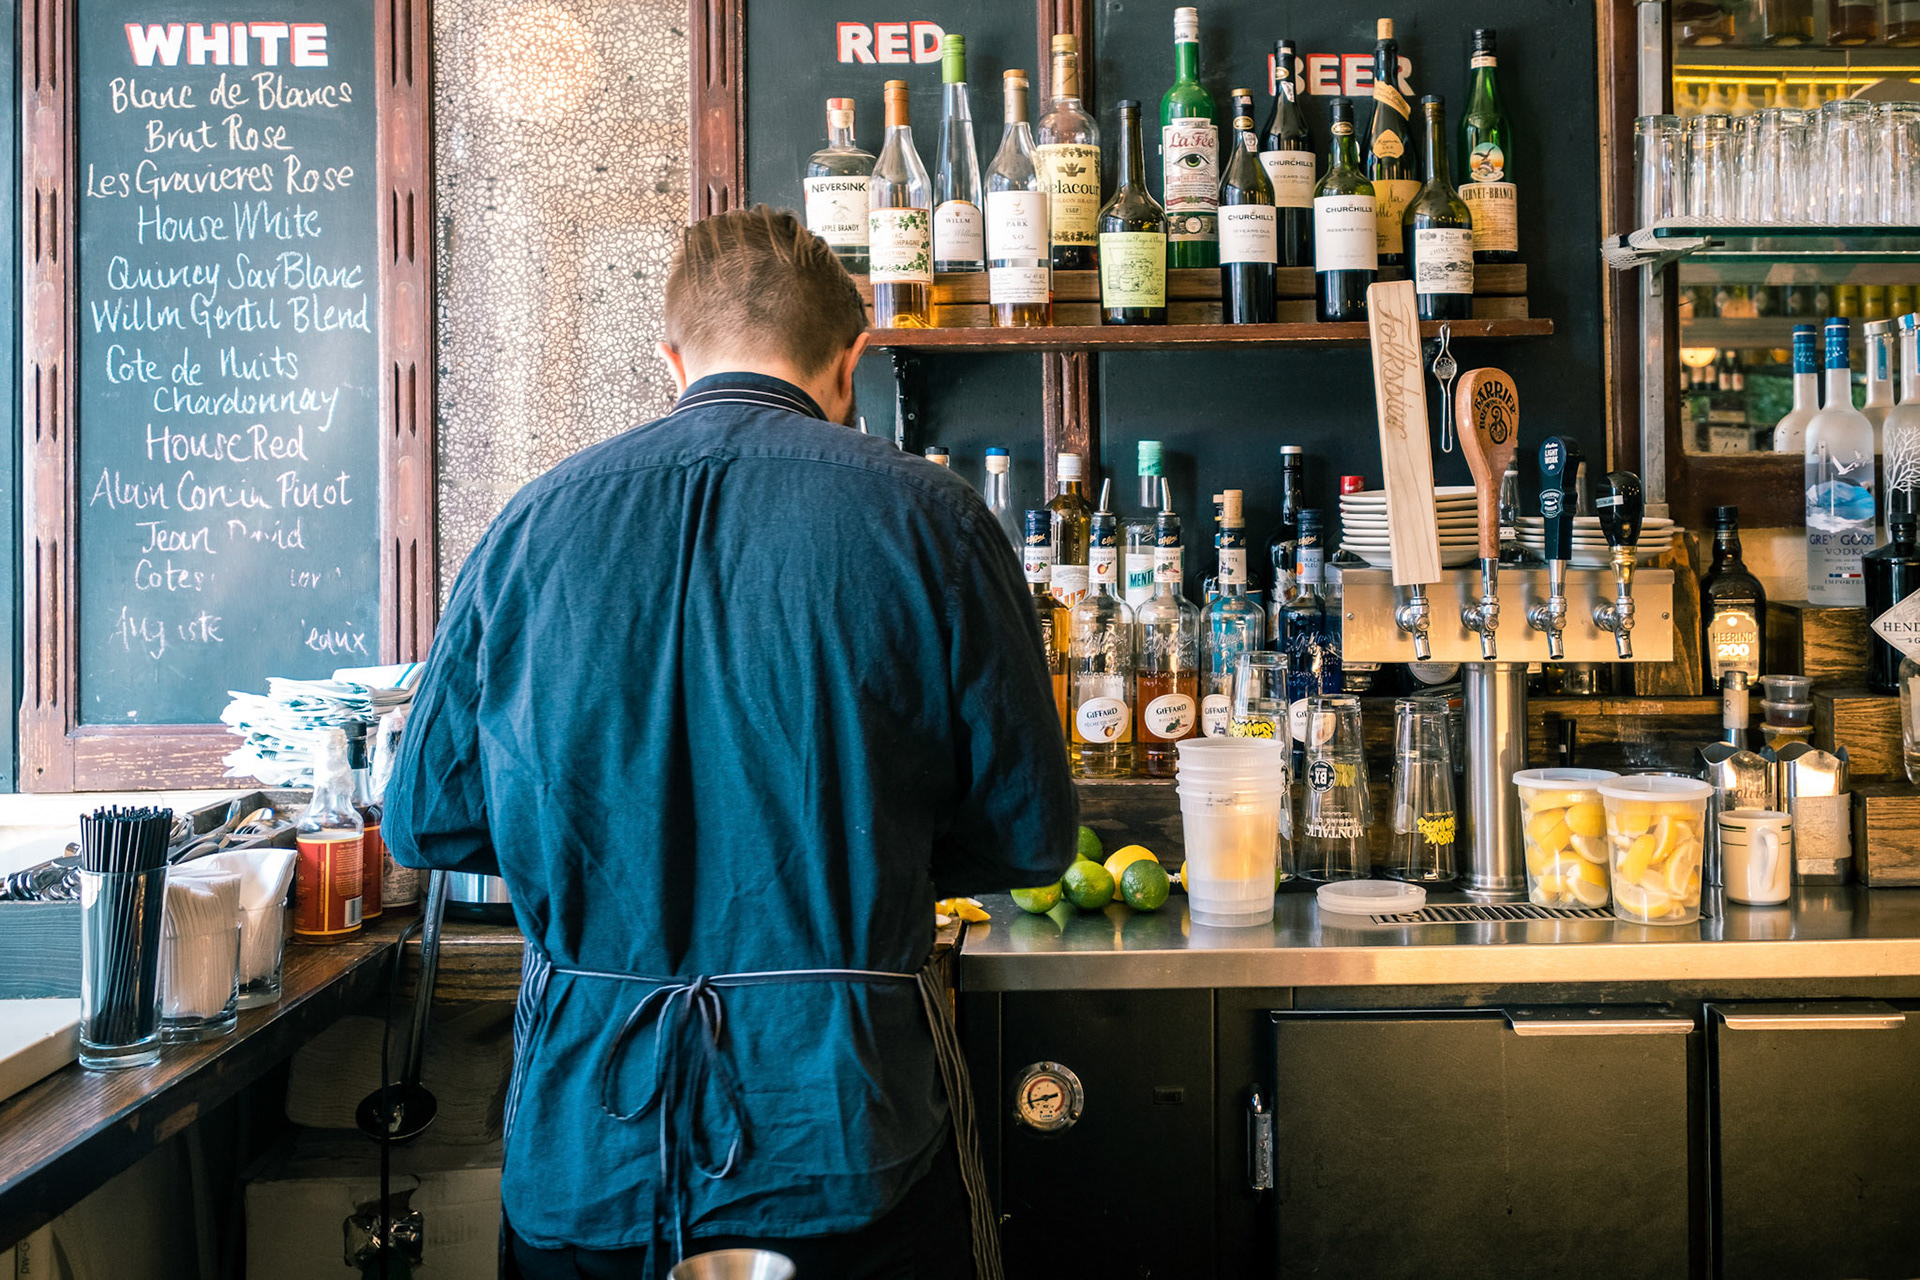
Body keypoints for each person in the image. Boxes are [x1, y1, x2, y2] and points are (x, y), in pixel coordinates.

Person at [384, 204, 1077, 1280]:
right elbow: (1031, 836)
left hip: (590, 1139)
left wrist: (608, 862)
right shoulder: (933, 519)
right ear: (852, 358)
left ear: (670, 358)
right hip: (842, 1126)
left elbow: (429, 816)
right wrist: (850, 857)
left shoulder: (530, 524)